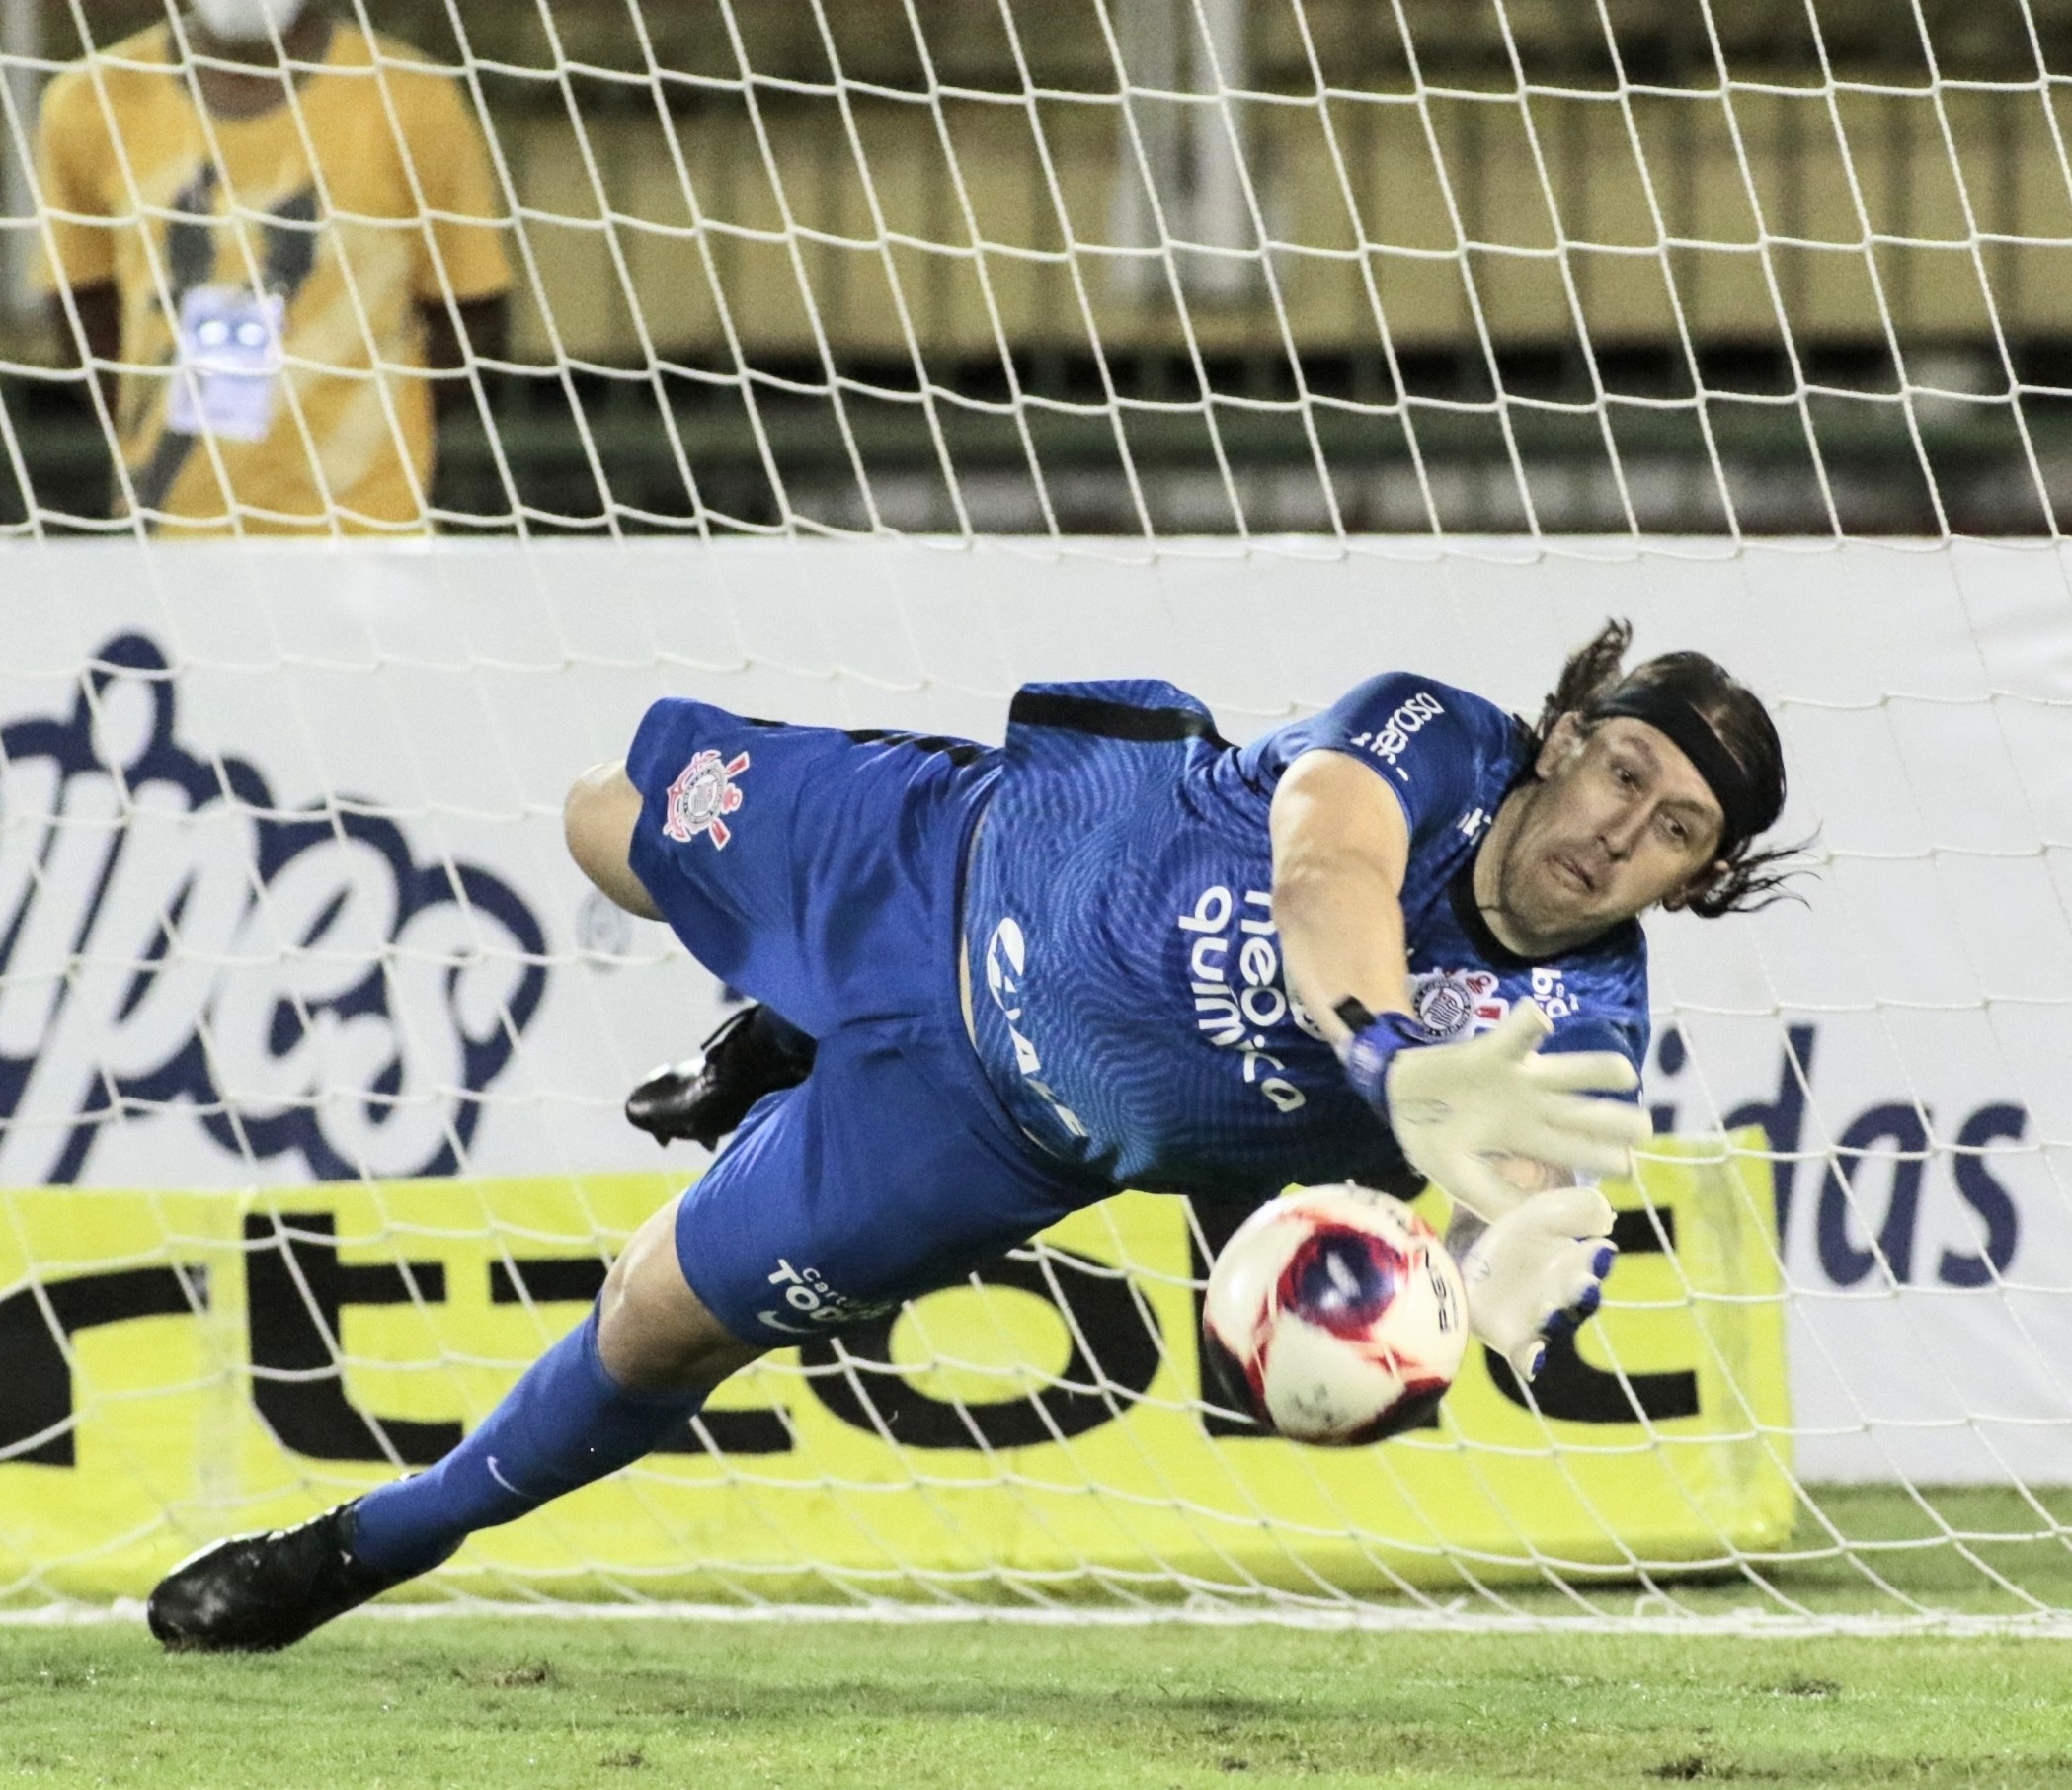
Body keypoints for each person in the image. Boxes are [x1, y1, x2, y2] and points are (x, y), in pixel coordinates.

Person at [146, 618, 1793, 1650]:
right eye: (1619, 771)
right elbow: (1323, 875)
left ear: (1695, 880)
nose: (1616, 831)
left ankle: (364, 1541)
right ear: (1564, 733)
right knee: (604, 816)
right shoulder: (1430, 736)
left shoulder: (1576, 1033)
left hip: (991, 1132)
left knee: (653, 1324)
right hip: (943, 855)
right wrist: (1381, 1045)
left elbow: (1526, 1223)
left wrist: (1459, 1300)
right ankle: (786, 1019)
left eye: (1674, 831)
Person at [35, 0, 510, 534]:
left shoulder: (411, 99)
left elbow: (473, 320)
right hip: (173, 540)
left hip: (367, 540)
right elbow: (83, 311)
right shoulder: (89, 105)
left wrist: (351, 416)